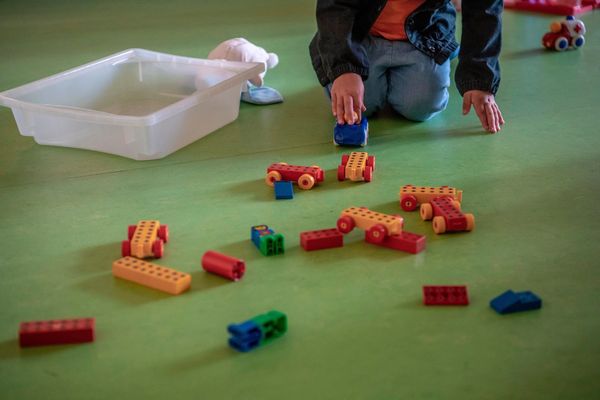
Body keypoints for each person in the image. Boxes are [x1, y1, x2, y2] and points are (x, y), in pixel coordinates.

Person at [309, 0, 505, 133]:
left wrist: (479, 77)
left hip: (424, 36)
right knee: (357, 104)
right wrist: (344, 67)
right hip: (361, 35)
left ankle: (442, 56)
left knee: (421, 106)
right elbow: (334, 5)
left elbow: (484, 8)